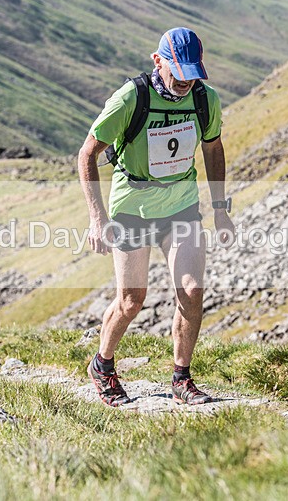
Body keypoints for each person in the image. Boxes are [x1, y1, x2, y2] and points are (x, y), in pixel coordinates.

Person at [78, 27, 235, 407]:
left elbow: (213, 150)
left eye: (193, 73)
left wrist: (220, 209)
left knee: (192, 291)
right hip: (132, 207)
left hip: (181, 205)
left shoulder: (204, 99)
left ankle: (181, 377)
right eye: (178, 72)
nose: (185, 82)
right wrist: (97, 218)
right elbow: (87, 155)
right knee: (132, 300)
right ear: (157, 61)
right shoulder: (130, 98)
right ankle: (103, 364)